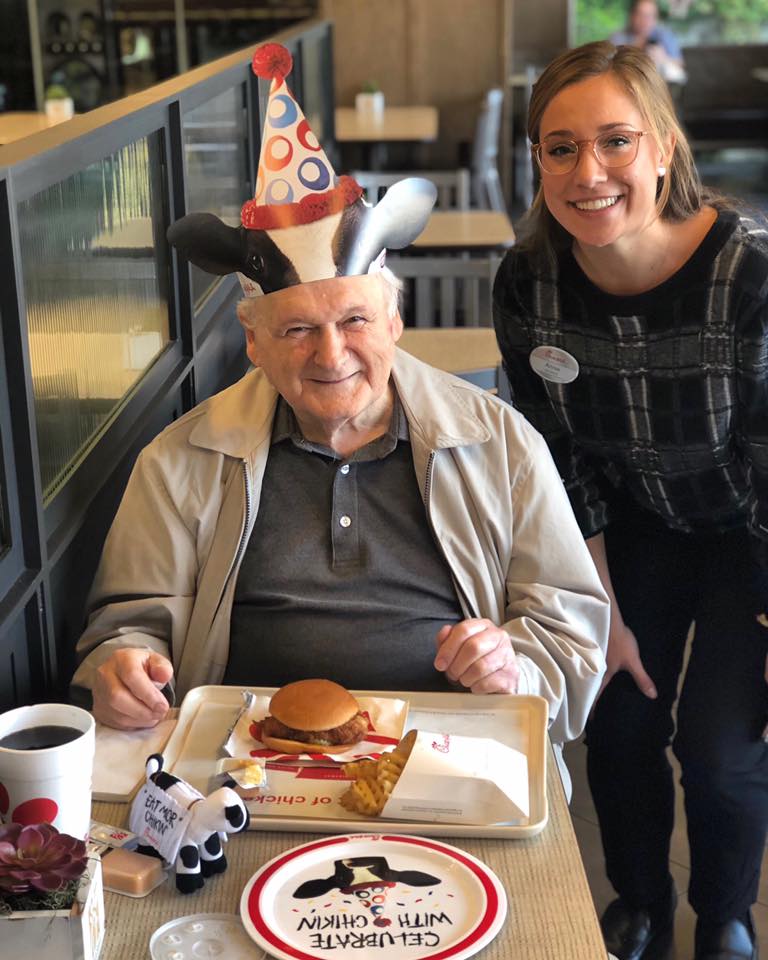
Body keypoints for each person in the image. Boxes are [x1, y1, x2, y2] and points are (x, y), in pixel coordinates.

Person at [72, 44, 609, 782]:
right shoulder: (181, 459)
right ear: (254, 342)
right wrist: (119, 667)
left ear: (394, 320)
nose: (331, 355)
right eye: (296, 330)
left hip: (448, 751)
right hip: (248, 763)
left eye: (354, 321)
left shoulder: (499, 443)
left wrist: (513, 667)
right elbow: (128, 625)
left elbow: (573, 636)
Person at [493, 39, 767, 960]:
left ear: (662, 147)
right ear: (536, 162)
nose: (589, 171)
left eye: (615, 141)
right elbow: (557, 461)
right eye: (559, 147)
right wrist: (598, 611)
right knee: (615, 718)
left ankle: (726, 913)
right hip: (629, 526)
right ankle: (640, 900)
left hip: (748, 530)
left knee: (721, 750)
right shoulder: (526, 283)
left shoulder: (749, 273)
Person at [611, 0, 685, 83]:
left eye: (649, 15)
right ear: (632, 15)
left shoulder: (665, 35)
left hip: (661, 85)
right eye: (640, 14)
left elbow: (679, 66)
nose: (644, 20)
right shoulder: (619, 37)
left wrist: (663, 58)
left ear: (656, 18)